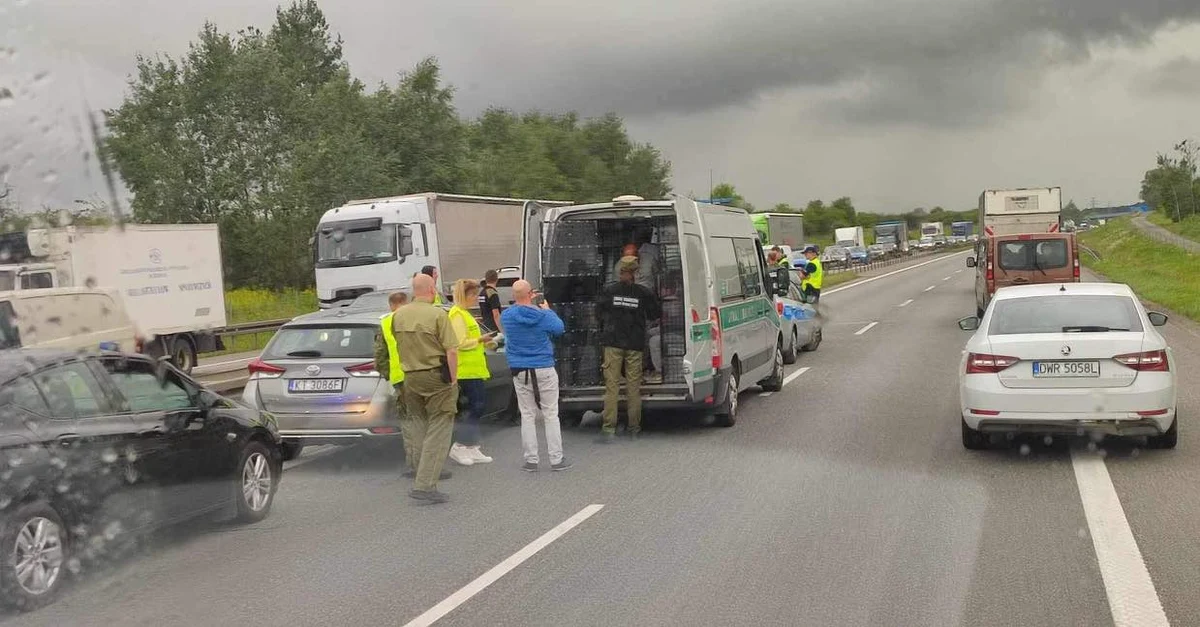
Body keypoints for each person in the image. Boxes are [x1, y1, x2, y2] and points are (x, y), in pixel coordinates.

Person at [392, 273, 458, 504]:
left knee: (418, 425)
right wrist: (453, 379)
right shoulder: (437, 314)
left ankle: (420, 472)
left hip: (410, 376)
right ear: (432, 290)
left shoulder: (398, 315)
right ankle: (426, 484)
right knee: (439, 427)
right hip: (435, 375)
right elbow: (451, 350)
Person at [500, 280, 571, 472]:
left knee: (527, 414)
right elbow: (559, 329)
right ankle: (556, 459)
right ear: (531, 294)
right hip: (543, 366)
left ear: (514, 295)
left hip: (520, 368)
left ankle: (531, 460)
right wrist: (547, 310)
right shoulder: (542, 315)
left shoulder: (506, 316)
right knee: (550, 414)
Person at [596, 256, 660, 442]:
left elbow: (598, 314)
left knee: (612, 387)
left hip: (613, 343)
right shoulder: (644, 292)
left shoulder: (609, 291)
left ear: (619, 272)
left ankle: (609, 429)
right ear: (636, 272)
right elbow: (654, 314)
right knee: (633, 387)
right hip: (635, 344)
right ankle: (634, 428)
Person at [373, 291, 429, 479]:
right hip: (422, 375)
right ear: (407, 302)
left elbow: (380, 357)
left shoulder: (385, 323)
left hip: (400, 380)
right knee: (426, 420)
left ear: (391, 305)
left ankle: (413, 464)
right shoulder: (418, 318)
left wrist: (389, 375)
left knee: (408, 422)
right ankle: (427, 464)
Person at [447, 279, 498, 467]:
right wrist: (479, 339)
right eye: (474, 295)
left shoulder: (465, 314)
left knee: (479, 406)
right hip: (465, 371)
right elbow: (459, 343)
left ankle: (472, 446)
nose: (477, 298)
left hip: (474, 369)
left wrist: (484, 341)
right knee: (474, 407)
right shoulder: (457, 314)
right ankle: (460, 445)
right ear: (466, 295)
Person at [608, 242, 663, 383]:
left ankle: (641, 370)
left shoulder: (649, 260)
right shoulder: (618, 268)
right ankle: (638, 371)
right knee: (637, 340)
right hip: (630, 310)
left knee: (645, 337)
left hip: (647, 304)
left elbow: (658, 277)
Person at [478, 269, 504, 333]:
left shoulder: (482, 293)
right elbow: (496, 314)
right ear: (496, 279)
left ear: (486, 279)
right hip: (494, 327)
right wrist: (502, 331)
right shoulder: (492, 293)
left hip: (486, 327)